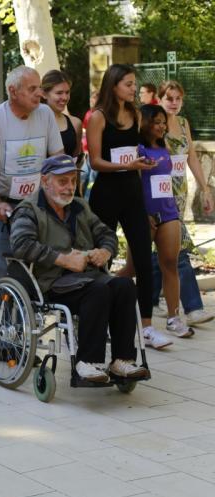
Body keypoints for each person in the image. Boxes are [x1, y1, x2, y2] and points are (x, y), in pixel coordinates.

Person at [10, 155, 148, 381]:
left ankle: (122, 361)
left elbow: (106, 234)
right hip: (51, 282)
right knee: (98, 291)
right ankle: (87, 362)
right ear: (45, 181)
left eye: (73, 181)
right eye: (62, 181)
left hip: (86, 276)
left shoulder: (80, 207)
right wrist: (63, 259)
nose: (69, 187)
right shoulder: (29, 210)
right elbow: (20, 245)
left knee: (124, 286)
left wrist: (105, 251)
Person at [0, 66, 64, 360]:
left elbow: (56, 158)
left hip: (30, 205)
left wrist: (60, 196)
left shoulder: (45, 115)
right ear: (13, 91)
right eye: (33, 89)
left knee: (25, 272)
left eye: (40, 88)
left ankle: (12, 342)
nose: (40, 93)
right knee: (1, 270)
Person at [87, 64, 171, 350]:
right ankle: (98, 320)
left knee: (144, 261)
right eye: (128, 84)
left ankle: (147, 327)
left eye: (135, 84)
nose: (134, 89)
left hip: (133, 195)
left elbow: (136, 154)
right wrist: (126, 165)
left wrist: (142, 165)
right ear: (113, 86)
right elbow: (94, 162)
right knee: (103, 260)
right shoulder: (98, 117)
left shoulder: (135, 115)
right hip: (106, 195)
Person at [121, 104, 192, 338]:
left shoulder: (165, 148)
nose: (162, 126)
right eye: (157, 122)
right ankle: (101, 290)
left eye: (164, 122)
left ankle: (174, 318)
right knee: (133, 268)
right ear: (145, 123)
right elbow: (133, 185)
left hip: (169, 213)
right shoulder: (138, 149)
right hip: (145, 216)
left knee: (170, 263)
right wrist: (142, 213)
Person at [156, 80, 214, 326]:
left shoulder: (183, 123)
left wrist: (205, 189)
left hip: (179, 194)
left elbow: (191, 157)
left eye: (178, 98)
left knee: (159, 252)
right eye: (169, 98)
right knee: (178, 249)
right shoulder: (153, 122)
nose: (173, 103)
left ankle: (147, 302)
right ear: (159, 99)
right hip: (160, 193)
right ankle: (192, 307)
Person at [41, 70, 82, 161]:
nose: (64, 98)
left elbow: (76, 161)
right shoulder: (34, 122)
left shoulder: (75, 123)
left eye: (67, 92)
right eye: (59, 93)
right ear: (44, 94)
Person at [79, 91, 99, 198]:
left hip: (95, 154)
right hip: (87, 153)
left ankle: (88, 202)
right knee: (84, 176)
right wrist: (85, 149)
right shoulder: (88, 114)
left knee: (92, 179)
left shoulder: (100, 115)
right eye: (90, 99)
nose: (91, 101)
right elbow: (84, 134)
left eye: (94, 99)